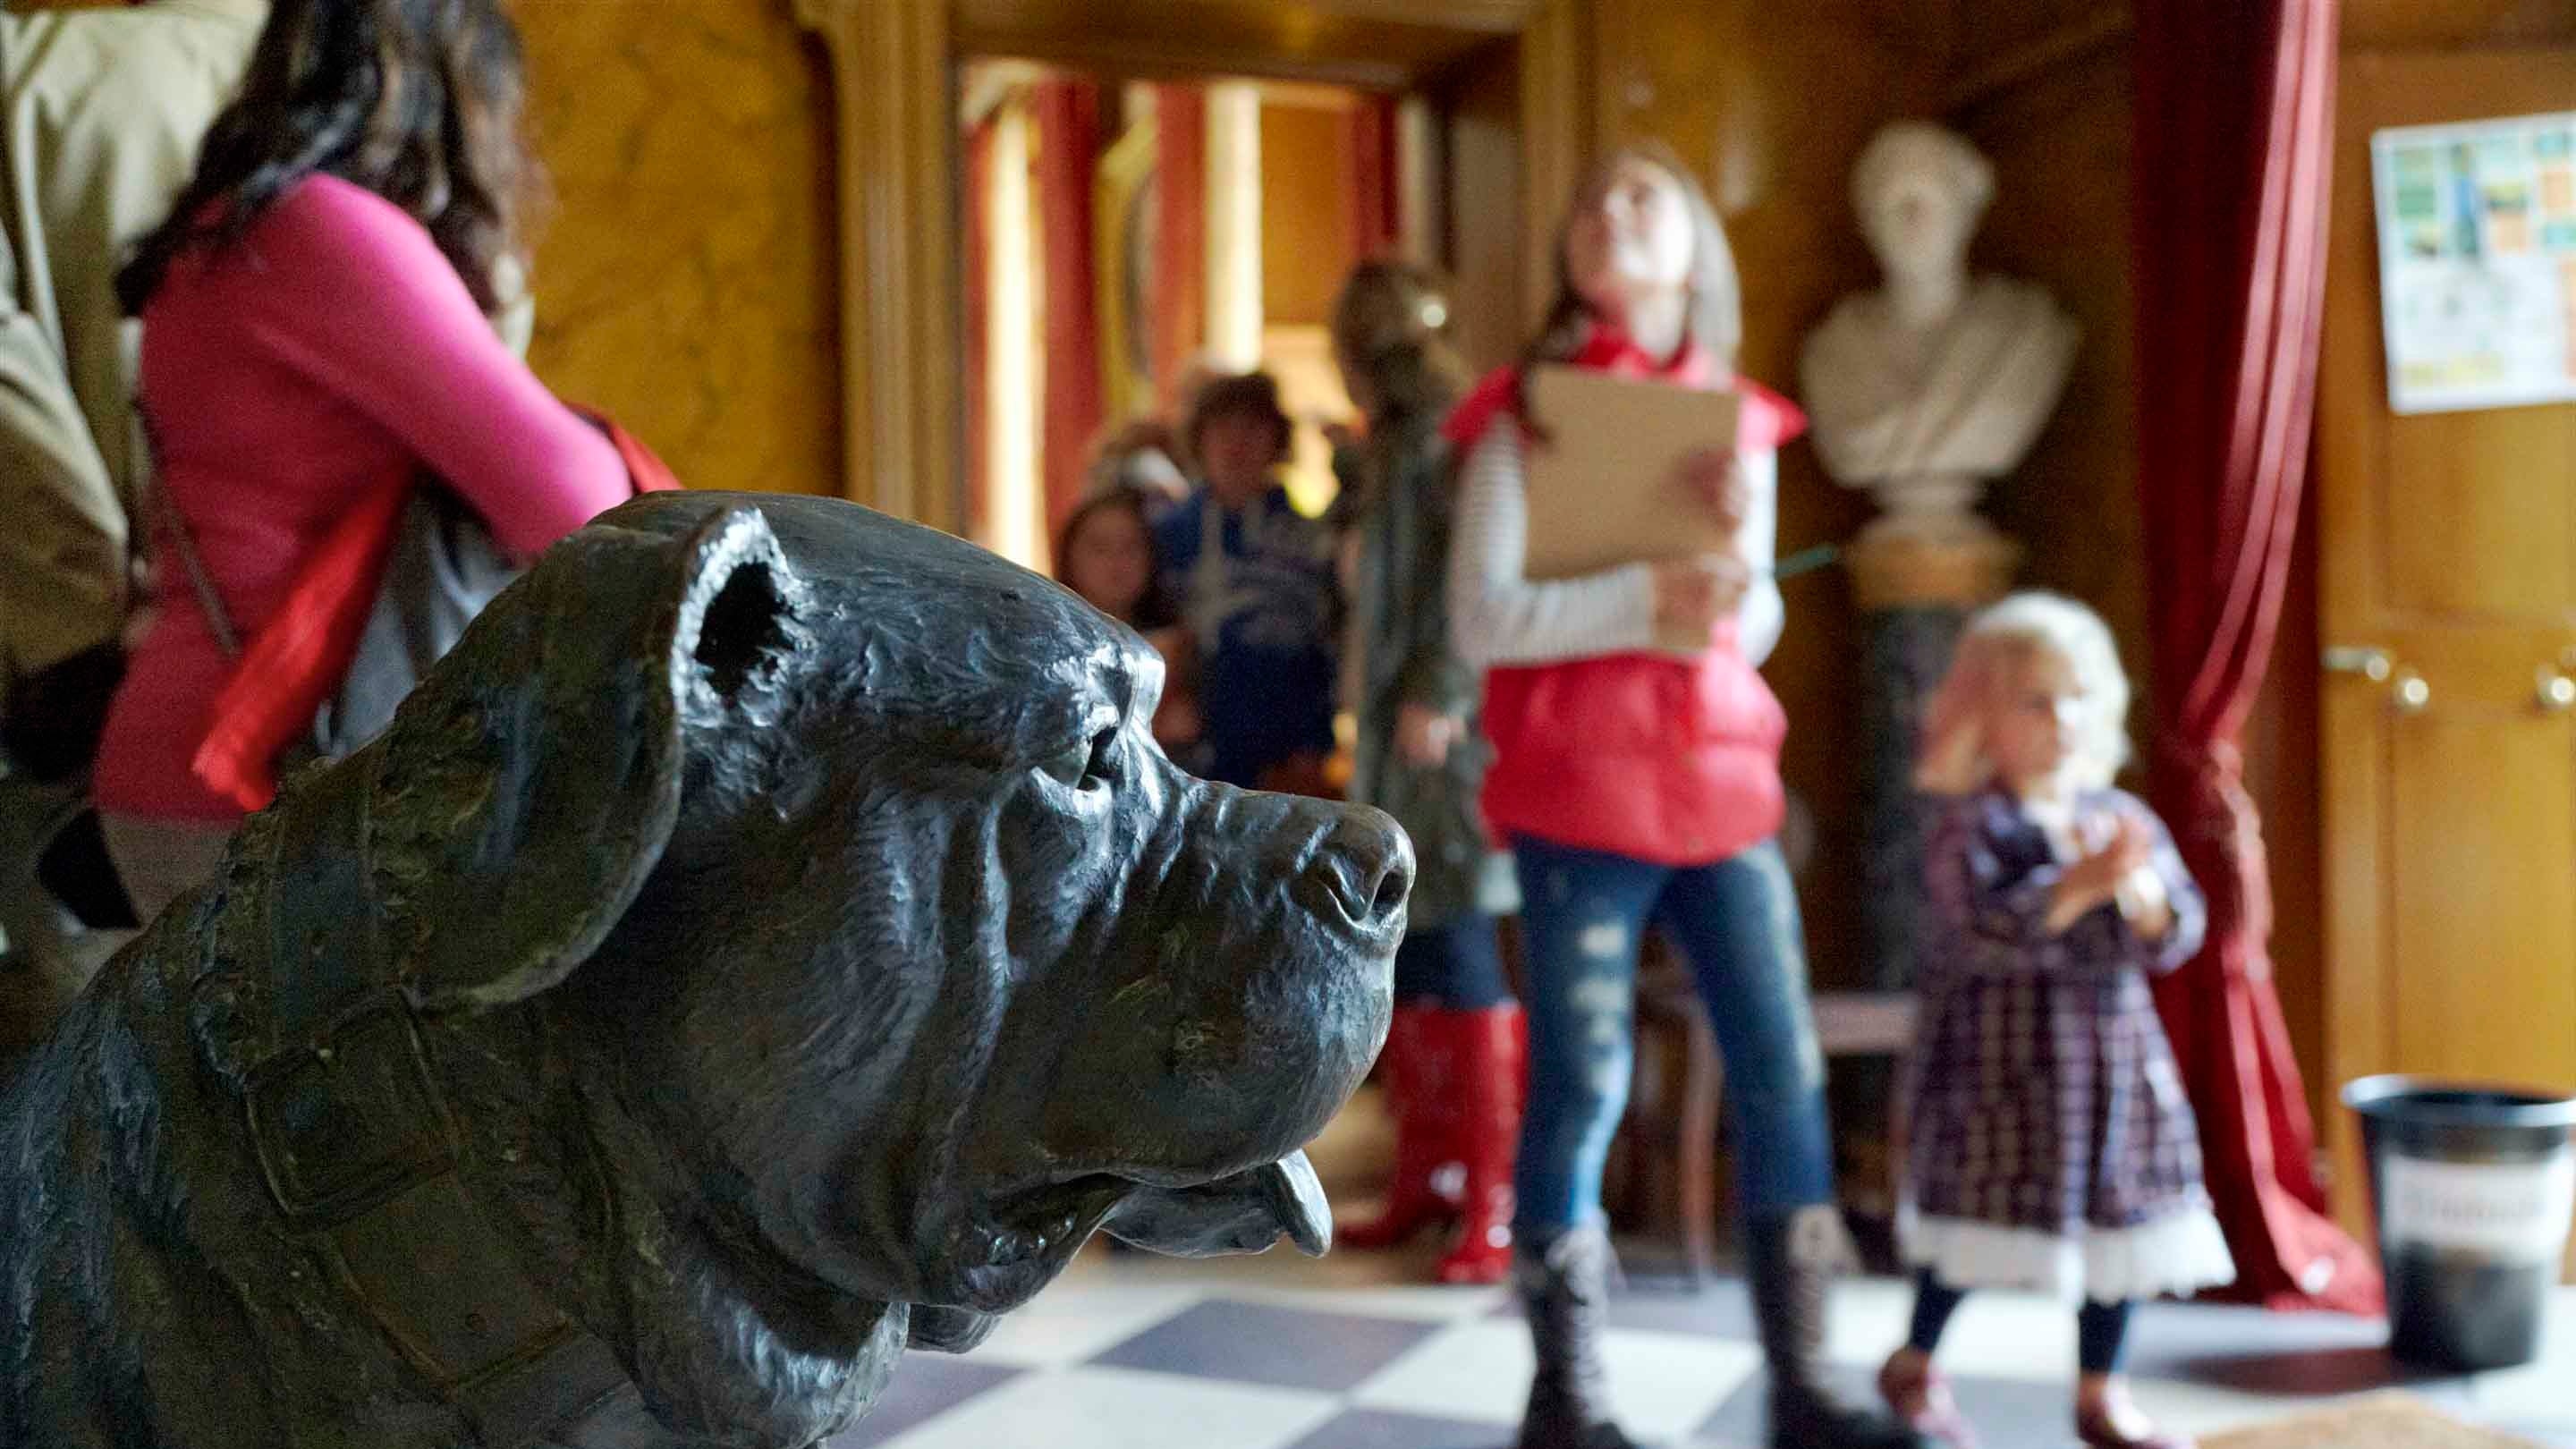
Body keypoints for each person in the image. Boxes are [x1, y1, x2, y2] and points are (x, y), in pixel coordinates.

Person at [1445, 142, 1927, 1449]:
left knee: (1785, 1075)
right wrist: (1639, 601)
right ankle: (1570, 1401)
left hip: (1723, 795)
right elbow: (1482, 620)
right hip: (1578, 798)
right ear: (1569, 253)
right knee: (1583, 1087)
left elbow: (1751, 622)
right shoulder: (1521, 418)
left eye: (1642, 195)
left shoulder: (1733, 418)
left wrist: (1722, 563)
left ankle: (1805, 1387)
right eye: (1590, 196)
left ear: (1696, 243)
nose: (1609, 210)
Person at [92, 0, 635, 923]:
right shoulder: (322, 229)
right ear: (449, 87)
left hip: (191, 766)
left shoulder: (229, 231)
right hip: (268, 786)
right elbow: (578, 500)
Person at [1881, 593, 2232, 1449]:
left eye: (2075, 698)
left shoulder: (2122, 819)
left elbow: (2176, 932)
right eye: (2034, 701)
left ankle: (2100, 1390)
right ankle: (1916, 1361)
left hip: (2111, 1067)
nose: (2061, 720)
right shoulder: (1972, 825)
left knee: (2121, 1235)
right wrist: (2074, 887)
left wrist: (2133, 886)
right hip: (2001, 1069)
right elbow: (1980, 930)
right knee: (1974, 1229)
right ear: (1981, 718)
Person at [0, 0, 270, 980]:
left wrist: (76, 628)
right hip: (319, 712)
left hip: (69, 710)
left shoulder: (27, 65)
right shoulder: (396, 76)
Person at [1325, 259, 1521, 1285]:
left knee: (1462, 935)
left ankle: (1489, 1201)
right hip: (1395, 727)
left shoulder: (1452, 432)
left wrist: (1443, 688)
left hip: (1444, 728)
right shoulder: (1391, 447)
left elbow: (1477, 570)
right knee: (1415, 946)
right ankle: (1428, 1182)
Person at [1156, 371, 1339, 793]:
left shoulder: (1309, 542)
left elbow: (1324, 646)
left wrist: (1314, 742)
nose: (1236, 443)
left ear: (1277, 441)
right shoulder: (1165, 537)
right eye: (1222, 427)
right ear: (1200, 438)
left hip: (1282, 749)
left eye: (1253, 428)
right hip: (1182, 750)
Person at [1054, 487, 1202, 759]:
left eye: (1131, 547)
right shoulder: (1048, 646)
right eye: (1099, 547)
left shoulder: (1180, 648)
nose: (1117, 561)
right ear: (1069, 555)